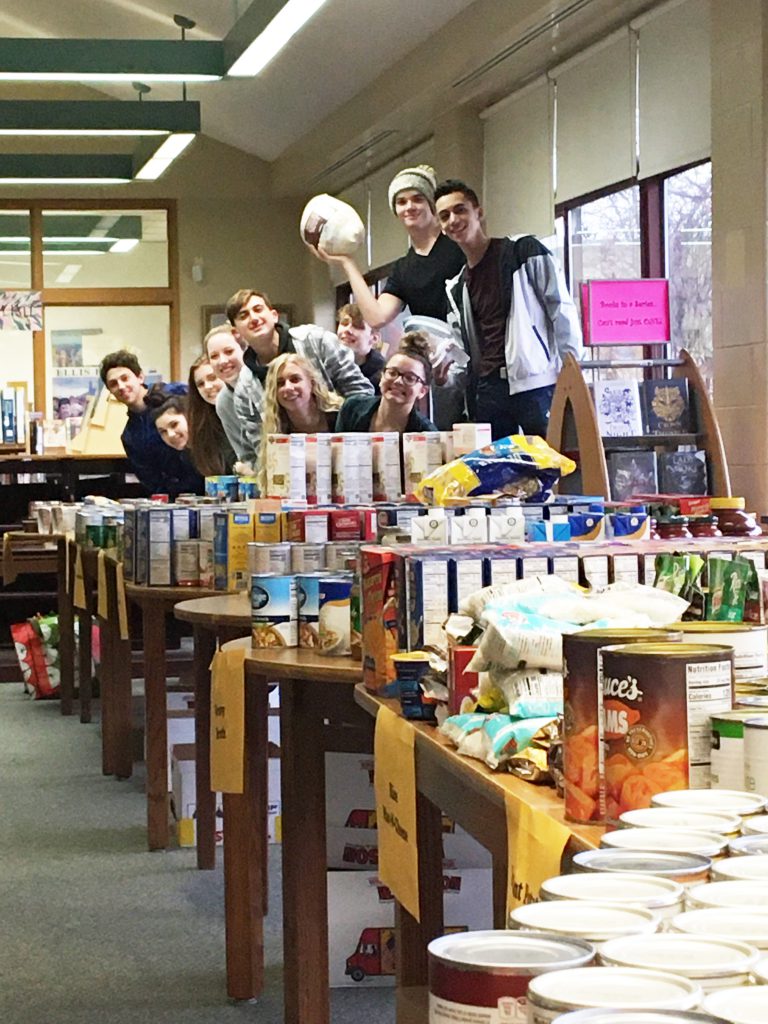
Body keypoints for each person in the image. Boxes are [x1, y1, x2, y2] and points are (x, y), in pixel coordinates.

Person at [308, 164, 466, 428]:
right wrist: (347, 263)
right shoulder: (404, 268)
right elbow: (376, 315)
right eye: (401, 202)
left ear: (431, 205)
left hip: (472, 356)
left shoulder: (458, 248)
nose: (409, 207)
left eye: (417, 199)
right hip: (437, 368)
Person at [434, 179, 583, 440]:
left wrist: (572, 371)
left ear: (478, 212)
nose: (453, 220)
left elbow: (561, 309)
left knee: (551, 463)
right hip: (489, 390)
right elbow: (463, 352)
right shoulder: (457, 287)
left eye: (460, 210)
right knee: (500, 474)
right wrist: (445, 377)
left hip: (535, 382)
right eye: (444, 216)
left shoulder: (523, 252)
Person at [227, 288, 373, 463]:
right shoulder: (244, 390)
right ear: (236, 332)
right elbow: (262, 450)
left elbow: (361, 396)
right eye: (243, 315)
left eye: (258, 309)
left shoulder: (316, 341)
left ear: (274, 315)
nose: (254, 318)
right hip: (294, 469)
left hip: (350, 457)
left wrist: (344, 448)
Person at [99, 350, 203, 496]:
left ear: (140, 377)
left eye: (125, 378)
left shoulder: (178, 392)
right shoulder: (131, 436)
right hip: (180, 498)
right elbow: (152, 482)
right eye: (114, 384)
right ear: (110, 391)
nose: (121, 386)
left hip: (214, 479)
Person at [257, 354, 343, 493]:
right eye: (280, 383)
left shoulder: (341, 416)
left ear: (312, 383)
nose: (288, 387)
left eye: (295, 379)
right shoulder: (276, 430)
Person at [335, 332, 437, 433]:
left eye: (410, 378)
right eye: (392, 373)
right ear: (381, 377)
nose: (398, 381)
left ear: (423, 391)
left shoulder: (426, 433)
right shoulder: (352, 408)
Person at [203, 325, 249, 464]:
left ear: (244, 351)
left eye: (229, 351)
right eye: (214, 356)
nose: (222, 361)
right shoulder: (223, 402)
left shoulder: (266, 384)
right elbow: (245, 456)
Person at [144, 391, 205, 493]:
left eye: (174, 425)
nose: (170, 435)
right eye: (163, 431)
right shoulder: (173, 460)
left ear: (189, 417)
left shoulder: (214, 446)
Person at [186, 354, 237, 476]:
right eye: (200, 384)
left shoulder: (246, 411)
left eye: (212, 378)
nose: (207, 387)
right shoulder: (202, 427)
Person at [336, 303, 385, 391]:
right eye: (344, 323)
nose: (347, 330)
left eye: (357, 326)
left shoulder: (383, 378)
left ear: (374, 338)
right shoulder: (325, 366)